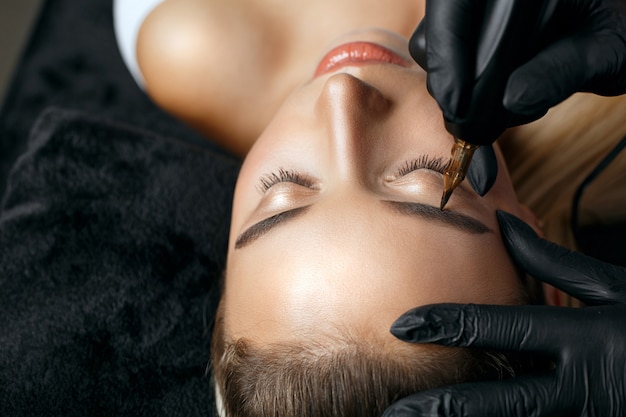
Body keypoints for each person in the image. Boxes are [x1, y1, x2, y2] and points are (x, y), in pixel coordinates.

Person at [112, 0, 626, 415]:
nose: (342, 95)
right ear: (550, 277)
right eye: (426, 176)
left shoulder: (193, 42)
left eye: (282, 189)